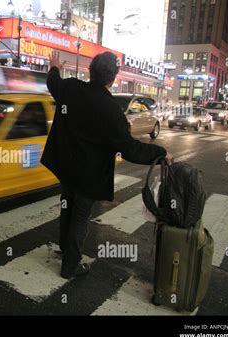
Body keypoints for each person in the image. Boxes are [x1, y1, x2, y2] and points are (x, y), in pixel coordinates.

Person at [41, 51, 173, 279]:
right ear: (113, 78)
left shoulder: (72, 88)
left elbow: (53, 83)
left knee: (67, 208)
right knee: (80, 216)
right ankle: (70, 265)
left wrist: (54, 68)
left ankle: (66, 250)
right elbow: (130, 149)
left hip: (67, 167)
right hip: (88, 175)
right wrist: (161, 152)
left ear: (91, 71)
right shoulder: (111, 110)